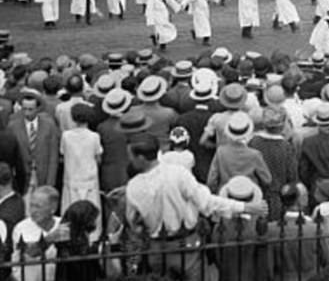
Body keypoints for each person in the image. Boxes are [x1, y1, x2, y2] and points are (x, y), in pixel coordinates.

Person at [124, 133, 267, 280]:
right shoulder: (178, 173)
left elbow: (134, 223)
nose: (129, 159)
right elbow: (206, 202)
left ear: (141, 157)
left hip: (158, 249)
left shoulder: (133, 187)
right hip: (186, 246)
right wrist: (244, 207)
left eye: (131, 156)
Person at [59, 103, 102, 213]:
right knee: (91, 209)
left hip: (71, 177)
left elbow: (62, 153)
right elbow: (98, 157)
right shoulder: (94, 137)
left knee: (70, 209)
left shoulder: (66, 136)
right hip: (89, 178)